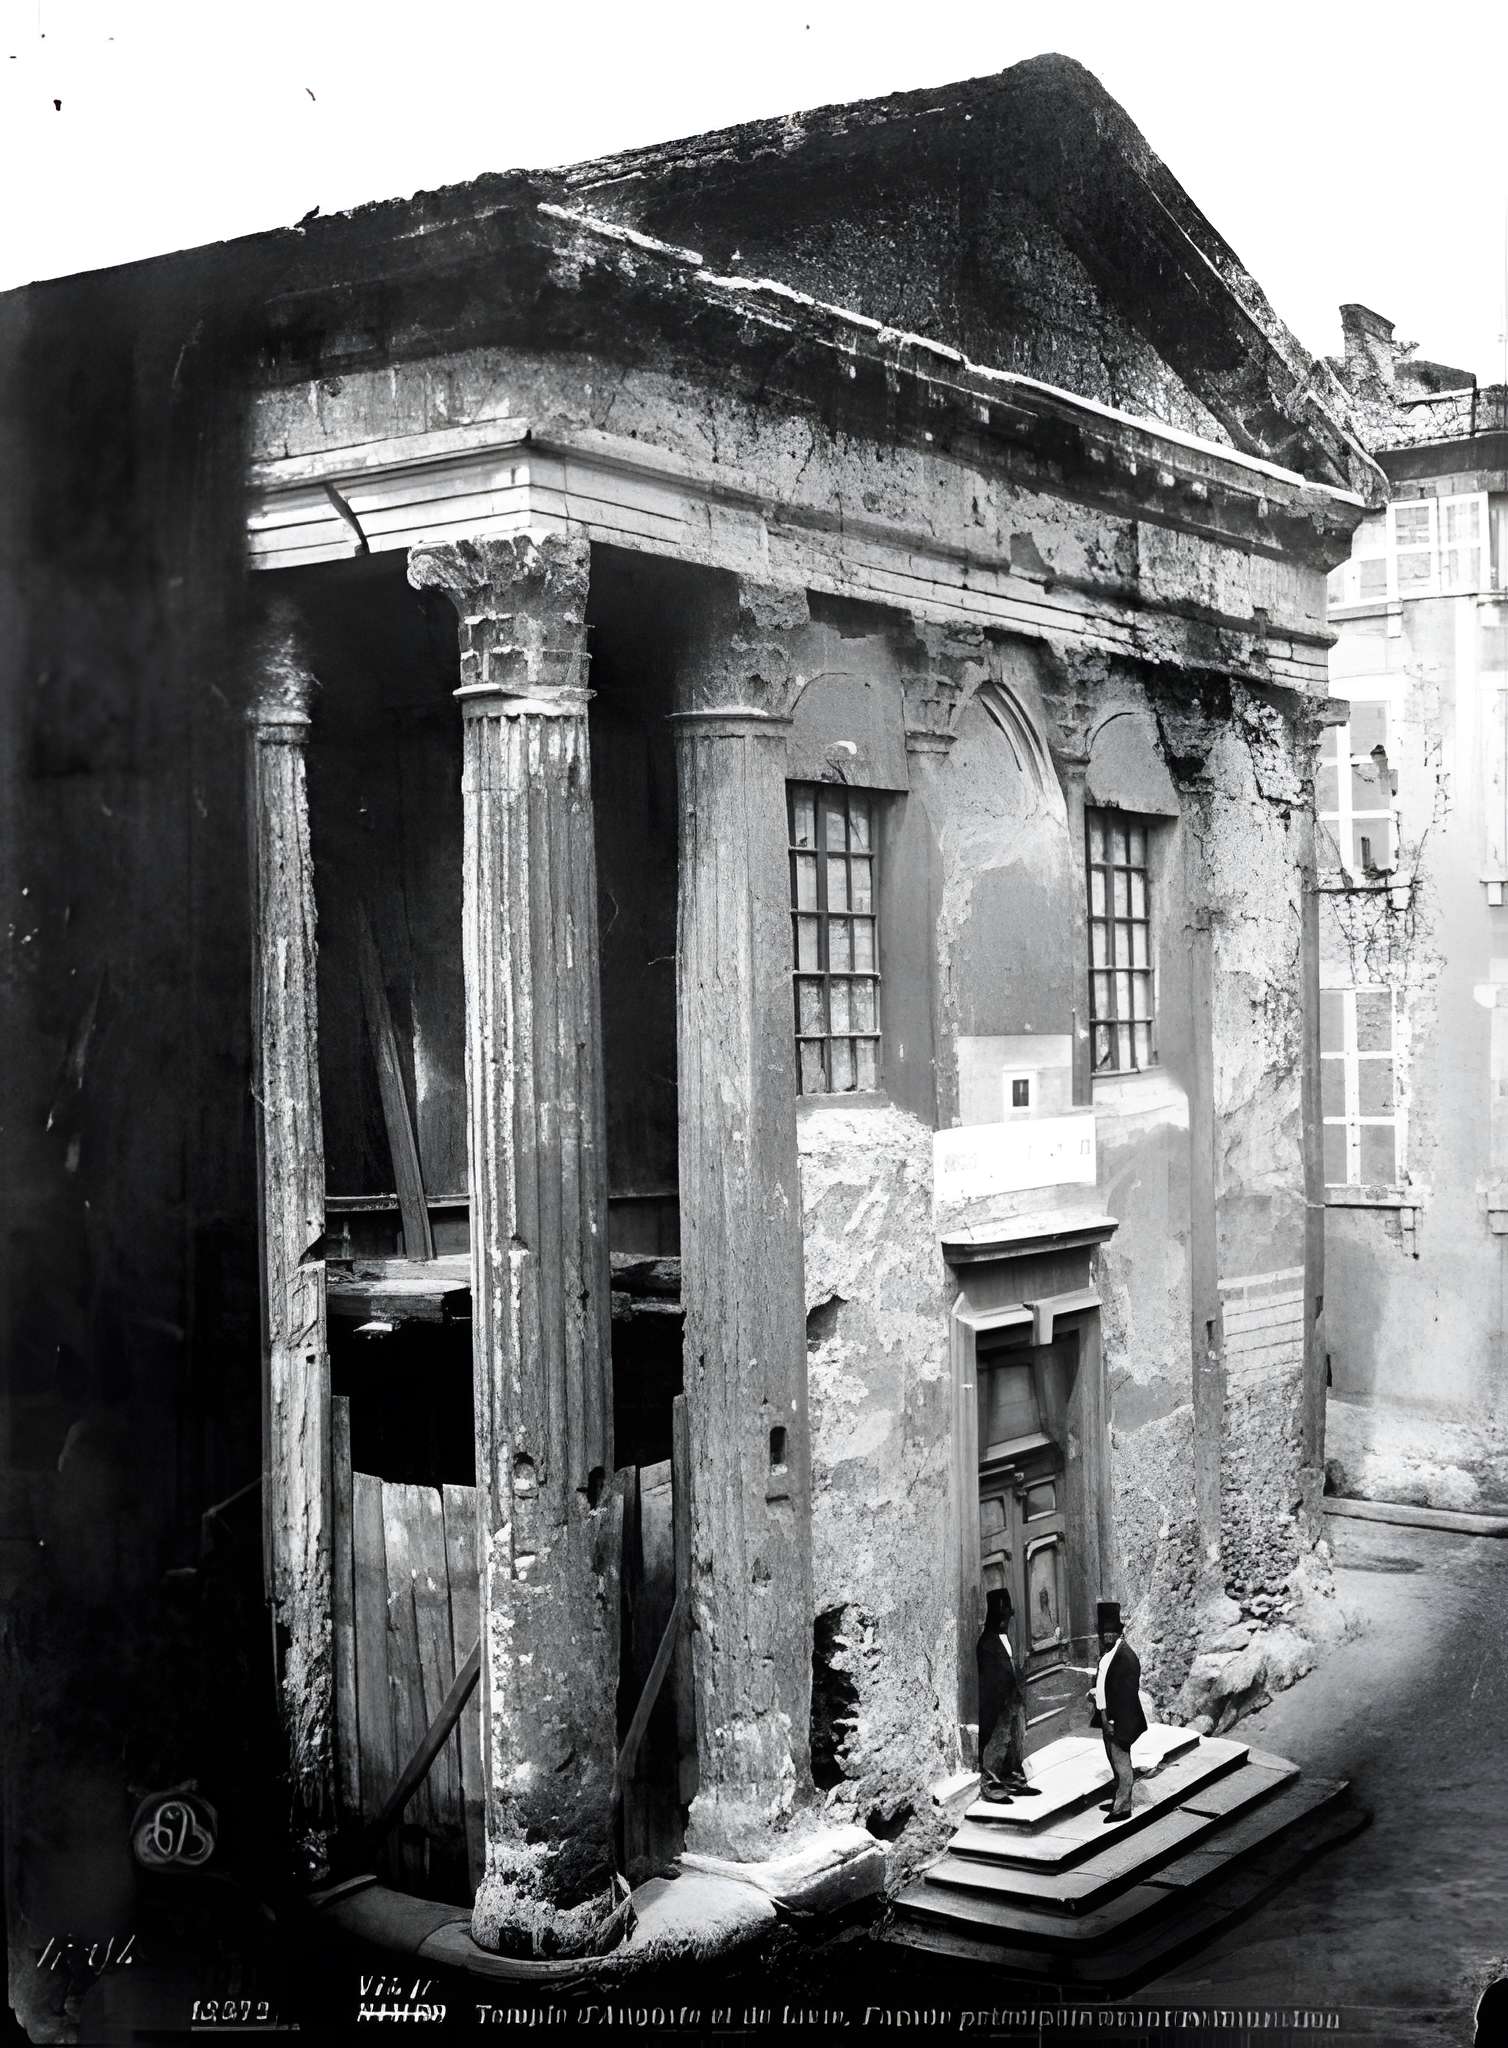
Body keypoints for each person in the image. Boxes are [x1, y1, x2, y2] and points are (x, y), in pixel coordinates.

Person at [976, 1586, 1041, 1803]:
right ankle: (993, 1785)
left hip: (1013, 1700)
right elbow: (989, 1680)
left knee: (1015, 1742)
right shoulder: (986, 1643)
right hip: (998, 1703)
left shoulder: (1005, 1639)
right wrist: (1000, 1702)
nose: (1006, 1621)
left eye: (1007, 1616)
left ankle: (1013, 1779)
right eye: (1002, 1617)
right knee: (998, 1743)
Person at [1087, 1598, 1146, 1824]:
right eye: (1104, 1633)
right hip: (1105, 1717)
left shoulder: (1126, 1657)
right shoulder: (1108, 1654)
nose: (1107, 1637)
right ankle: (1118, 1798)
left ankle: (1122, 1807)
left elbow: (1127, 1697)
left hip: (1118, 1720)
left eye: (1111, 1633)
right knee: (1113, 1759)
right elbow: (1105, 1682)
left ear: (1119, 1633)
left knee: (1122, 1763)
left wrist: (1113, 1721)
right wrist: (1095, 1694)